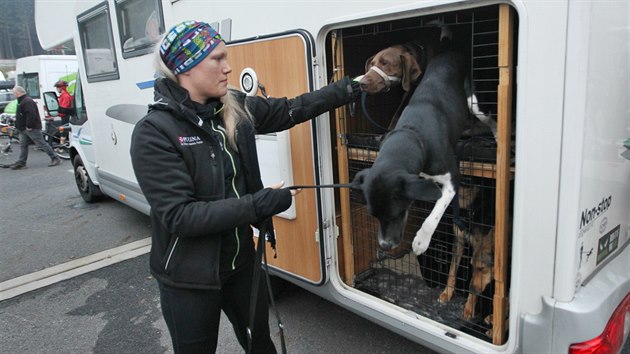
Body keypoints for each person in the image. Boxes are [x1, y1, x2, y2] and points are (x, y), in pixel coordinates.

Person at [130, 20, 359, 353]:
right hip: (188, 280)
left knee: (260, 344)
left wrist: (353, 87)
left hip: (241, 266)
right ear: (187, 67)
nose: (229, 67)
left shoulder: (232, 106)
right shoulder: (155, 132)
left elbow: (290, 109)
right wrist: (258, 205)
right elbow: (181, 216)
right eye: (218, 59)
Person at [8, 86, 61, 170]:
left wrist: (29, 125)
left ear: (18, 92)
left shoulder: (27, 101)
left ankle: (55, 158)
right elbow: (23, 114)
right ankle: (22, 162)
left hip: (30, 128)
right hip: (23, 128)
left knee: (41, 143)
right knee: (23, 145)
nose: (13, 94)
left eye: (14, 93)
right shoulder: (22, 100)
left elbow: (31, 114)